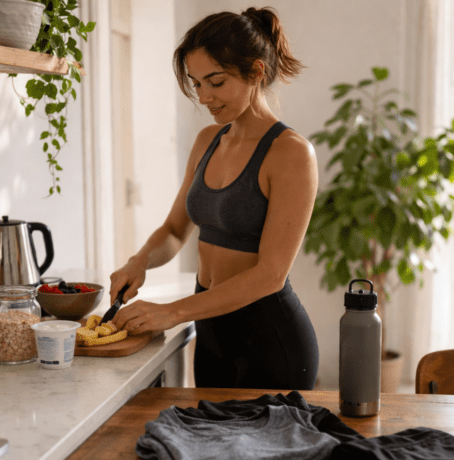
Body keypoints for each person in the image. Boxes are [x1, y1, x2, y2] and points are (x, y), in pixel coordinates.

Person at [108, 7, 319, 390]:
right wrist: (138, 263)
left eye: (216, 82)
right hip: (211, 333)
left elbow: (270, 275)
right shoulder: (208, 140)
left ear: (256, 72)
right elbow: (174, 230)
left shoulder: (291, 153)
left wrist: (171, 312)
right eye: (196, 83)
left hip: (269, 339)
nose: (204, 96)